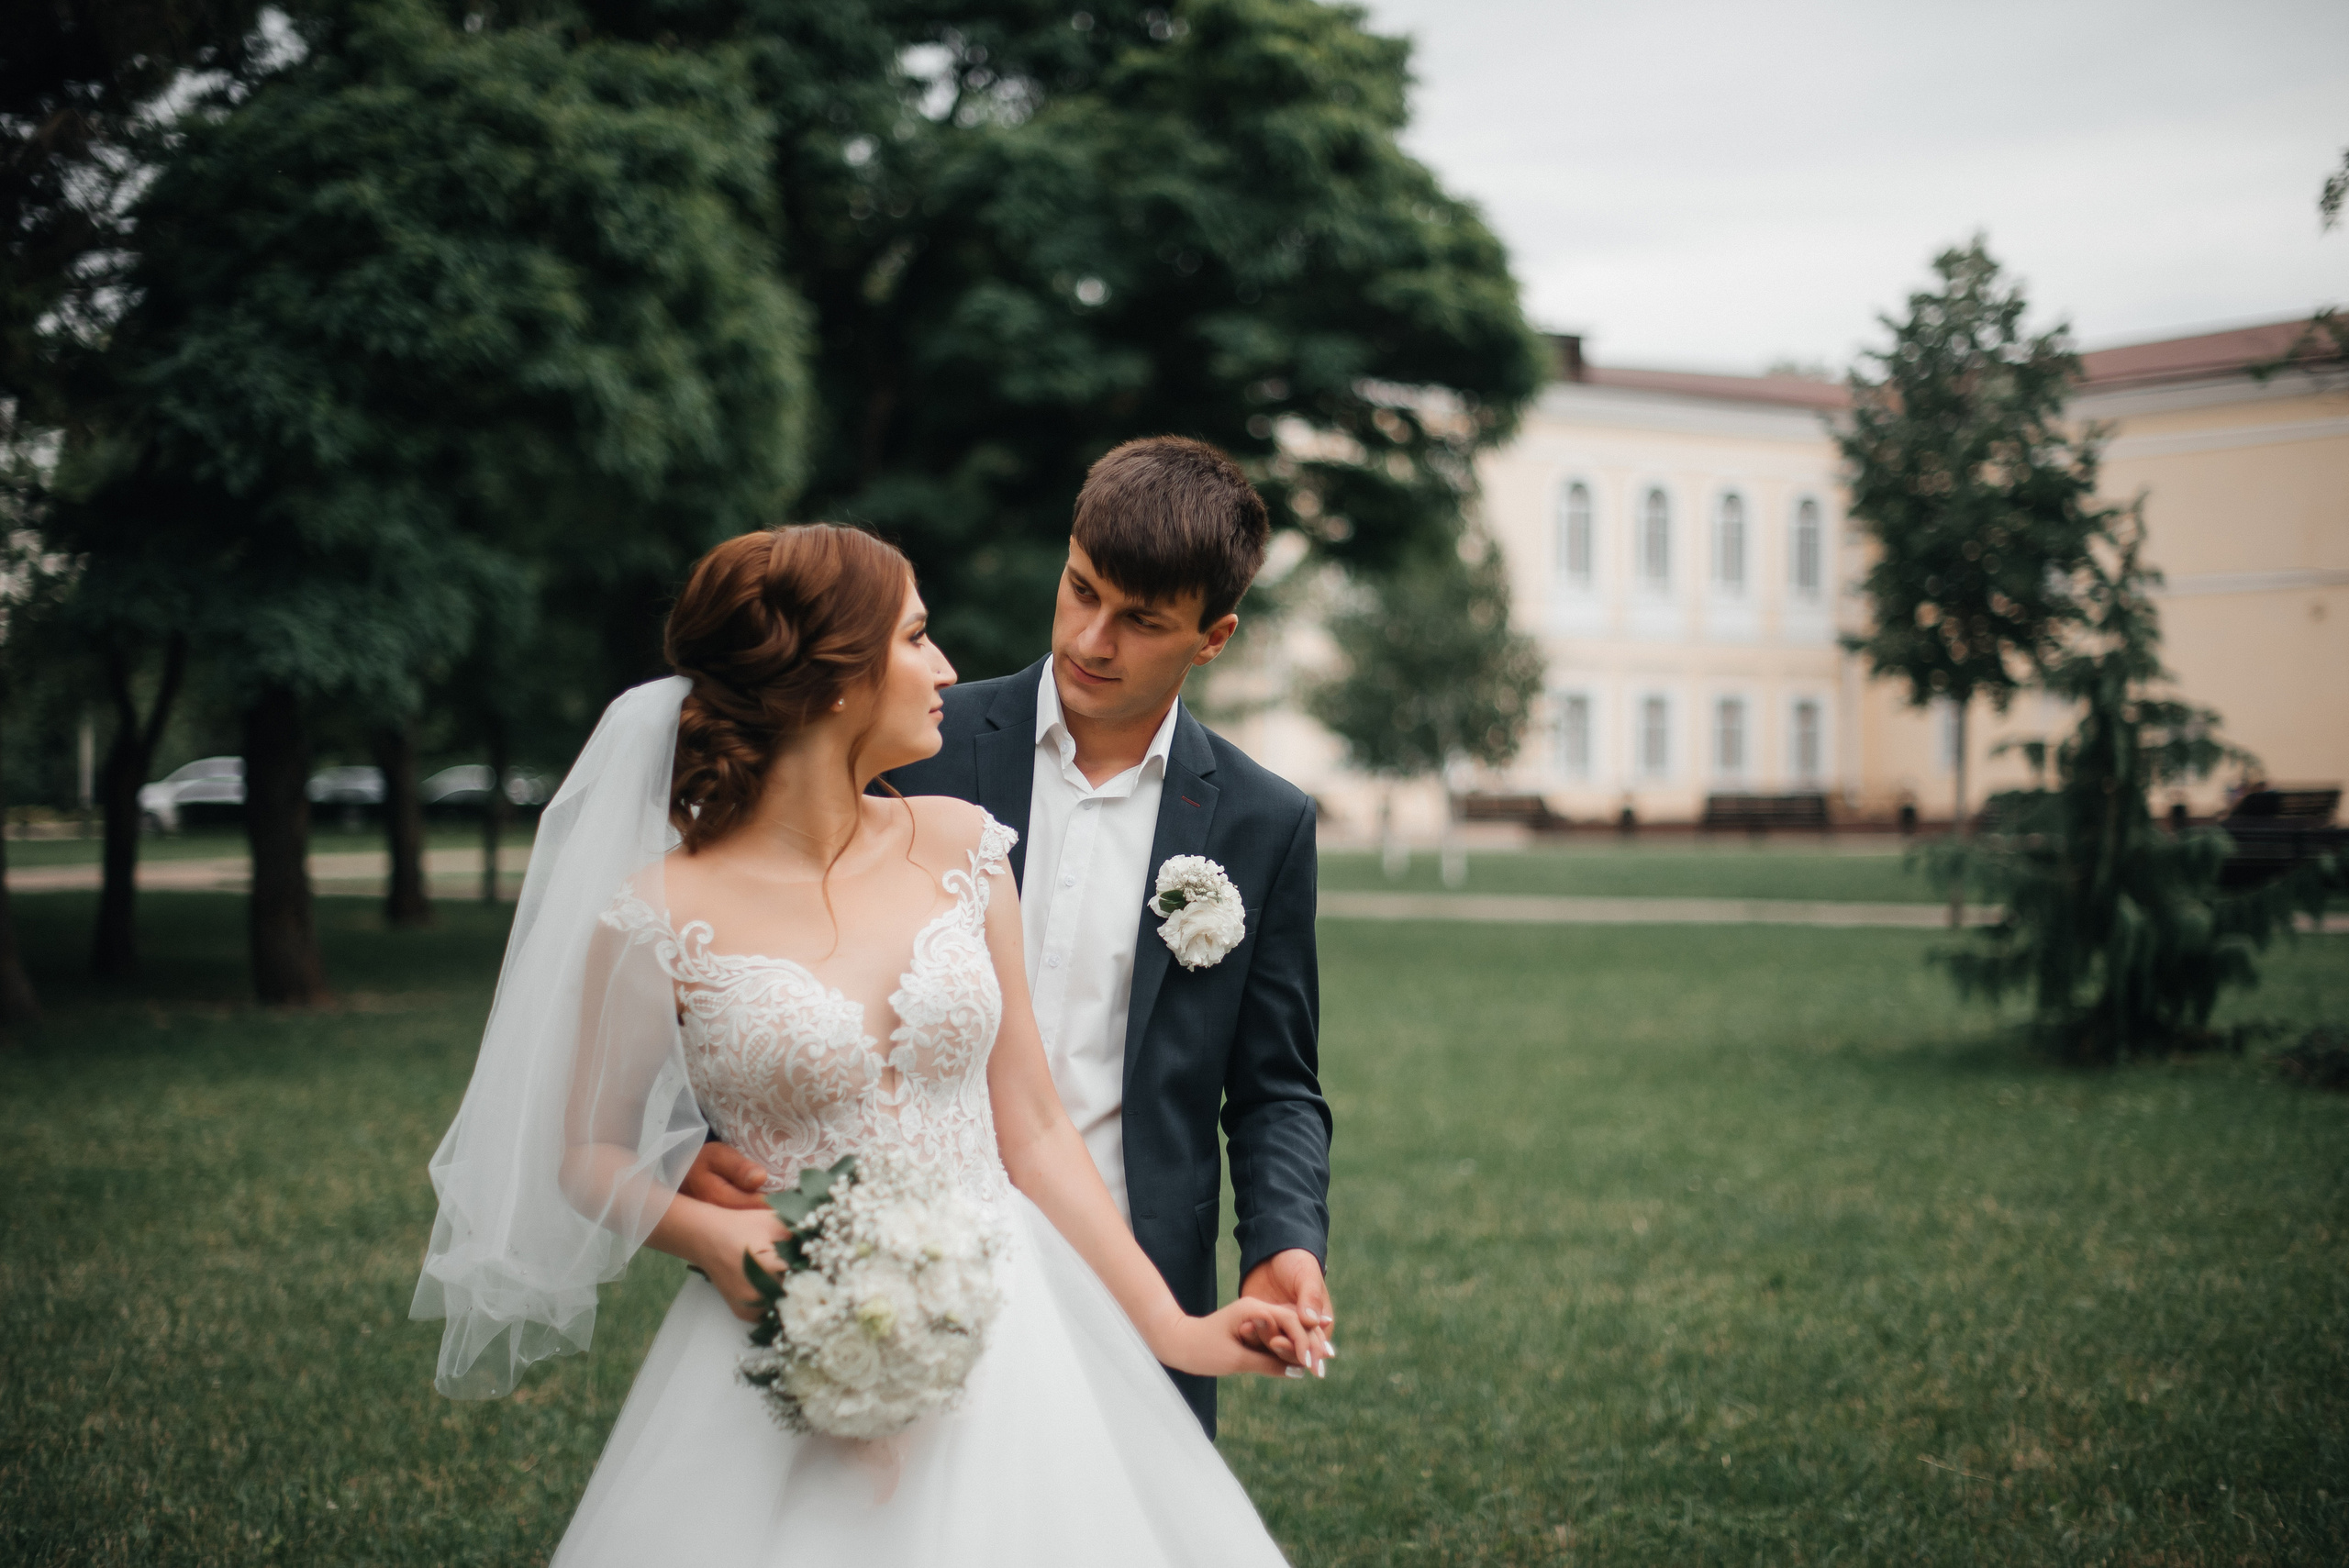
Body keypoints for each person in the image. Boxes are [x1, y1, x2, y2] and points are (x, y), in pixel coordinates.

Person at [412, 522, 1323, 1564]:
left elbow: (1029, 1127)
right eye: (916, 637)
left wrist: (1172, 1328)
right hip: (786, 1331)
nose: (945, 666)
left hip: (1013, 1329)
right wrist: (718, 1238)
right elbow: (587, 1155)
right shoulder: (654, 913)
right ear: (837, 681)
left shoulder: (961, 847)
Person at [681, 437, 1333, 1436]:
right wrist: (691, 1147)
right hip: (894, 1261)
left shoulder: (1263, 819)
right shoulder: (913, 749)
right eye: (1080, 589)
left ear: (1212, 637)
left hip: (1136, 1257)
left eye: (1141, 620)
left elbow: (1276, 1083)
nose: (1091, 638)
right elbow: (756, 948)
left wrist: (1285, 1237)